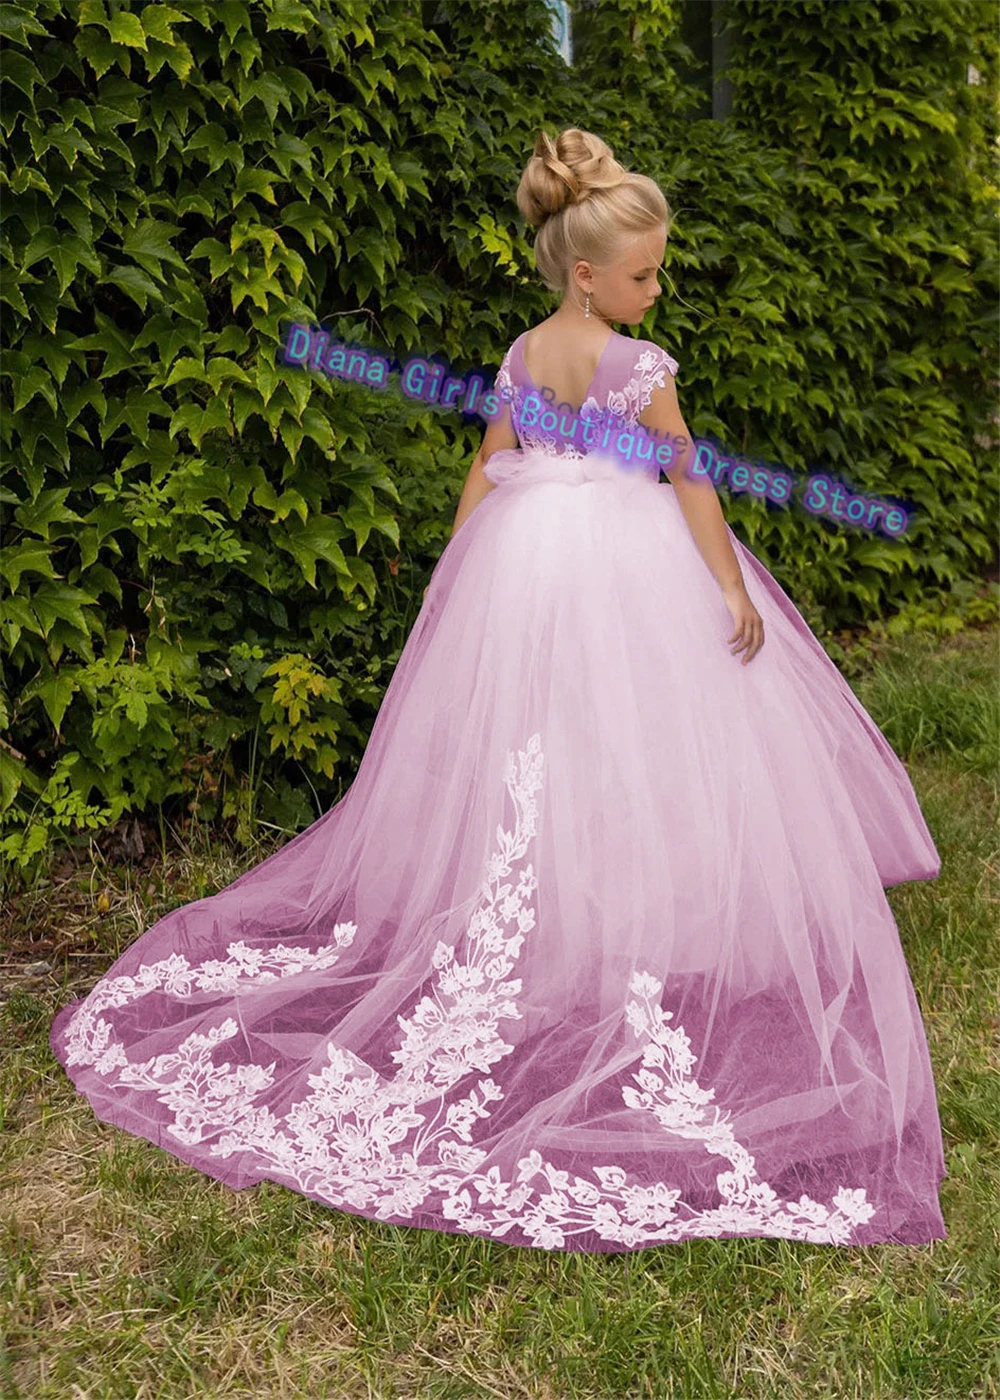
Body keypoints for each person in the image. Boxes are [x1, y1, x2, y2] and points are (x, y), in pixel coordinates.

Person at [50, 127, 948, 1252]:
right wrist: (728, 586)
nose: (654, 287)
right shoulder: (643, 367)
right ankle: (618, 922)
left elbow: (487, 463)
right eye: (643, 272)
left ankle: (575, 921)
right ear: (587, 271)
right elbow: (691, 482)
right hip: (624, 570)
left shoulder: (523, 354)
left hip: (524, 565)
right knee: (635, 745)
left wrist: (457, 574)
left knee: (551, 747)